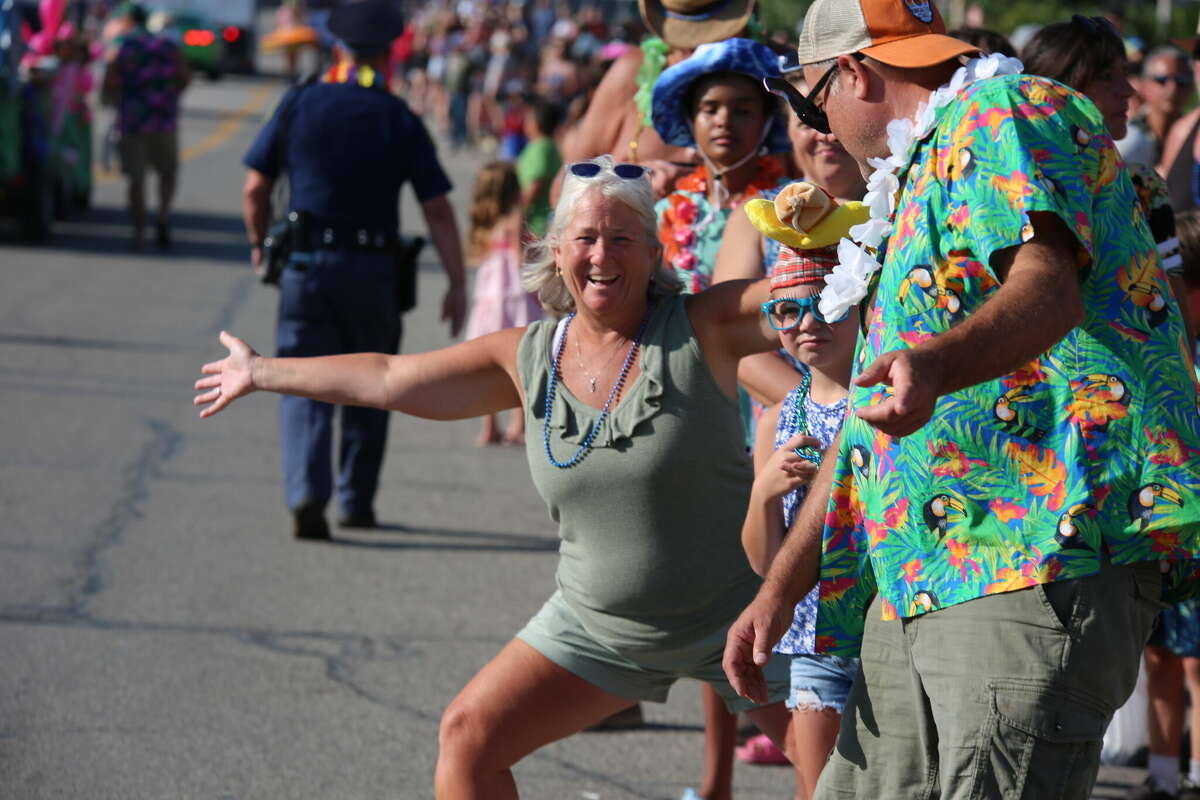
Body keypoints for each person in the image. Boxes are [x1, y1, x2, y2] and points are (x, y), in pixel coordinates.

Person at [198, 155, 795, 799]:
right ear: (557, 252)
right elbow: (391, 378)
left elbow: (803, 287)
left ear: (653, 254)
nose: (602, 255)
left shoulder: (703, 325)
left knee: (848, 780)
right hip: (599, 628)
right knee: (468, 737)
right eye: (586, 239)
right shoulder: (527, 356)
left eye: (622, 239)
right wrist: (262, 372)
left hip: (742, 617)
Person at [722, 3, 1200, 799]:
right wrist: (779, 590)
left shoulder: (1000, 110)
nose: (818, 131)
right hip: (920, 574)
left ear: (855, 72)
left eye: (809, 102)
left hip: (1029, 557)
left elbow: (1047, 289)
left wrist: (937, 365)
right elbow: (872, 423)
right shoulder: (913, 175)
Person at [240, 0, 467, 540]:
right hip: (373, 273)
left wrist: (256, 242)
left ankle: (305, 492)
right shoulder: (396, 114)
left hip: (306, 267)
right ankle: (355, 500)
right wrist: (458, 282)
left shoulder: (298, 103)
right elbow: (436, 207)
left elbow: (255, 186)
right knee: (372, 383)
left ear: (334, 47)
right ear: (388, 53)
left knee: (301, 379)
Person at [740, 226, 861, 800]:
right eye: (789, 311)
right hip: (815, 641)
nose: (809, 324)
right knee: (819, 789)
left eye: (828, 304)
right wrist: (765, 492)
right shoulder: (778, 420)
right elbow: (767, 564)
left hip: (892, 630)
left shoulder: (889, 400)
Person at [1021, 17, 1194, 344]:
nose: (1128, 90)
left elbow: (1175, 309)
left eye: (1124, 73)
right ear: (1056, 88)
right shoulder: (1017, 188)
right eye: (1105, 76)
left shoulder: (1142, 187)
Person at [558, 0, 759, 198]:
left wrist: (691, 180)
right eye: (682, 35)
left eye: (712, 32)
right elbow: (563, 187)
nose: (693, 50)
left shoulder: (775, 75)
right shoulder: (633, 73)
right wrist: (627, 181)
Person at [651, 37, 791, 295]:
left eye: (742, 111)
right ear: (690, 119)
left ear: (767, 121)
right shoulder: (664, 214)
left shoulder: (789, 206)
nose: (724, 121)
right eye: (710, 109)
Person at [100, 2, 189, 251]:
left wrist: (116, 99)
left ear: (129, 20)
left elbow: (111, 79)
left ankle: (139, 231)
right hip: (164, 119)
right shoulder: (168, 45)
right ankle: (163, 215)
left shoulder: (122, 46)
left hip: (132, 121)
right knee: (167, 173)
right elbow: (184, 77)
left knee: (136, 179)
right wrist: (168, 98)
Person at [463, 161, 540, 445]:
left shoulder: (484, 222)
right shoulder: (515, 218)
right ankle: (517, 426)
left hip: (489, 301)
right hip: (514, 298)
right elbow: (520, 261)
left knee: (488, 365)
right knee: (519, 363)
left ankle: (489, 427)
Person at [1118, 47, 1193, 169]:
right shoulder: (1126, 137)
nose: (1172, 88)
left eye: (1182, 81)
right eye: (1162, 80)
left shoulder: (1193, 136)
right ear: (1144, 85)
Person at [515, 98, 563, 239]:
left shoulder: (540, 147)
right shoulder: (548, 145)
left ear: (536, 122)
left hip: (537, 222)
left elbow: (535, 185)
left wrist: (517, 213)